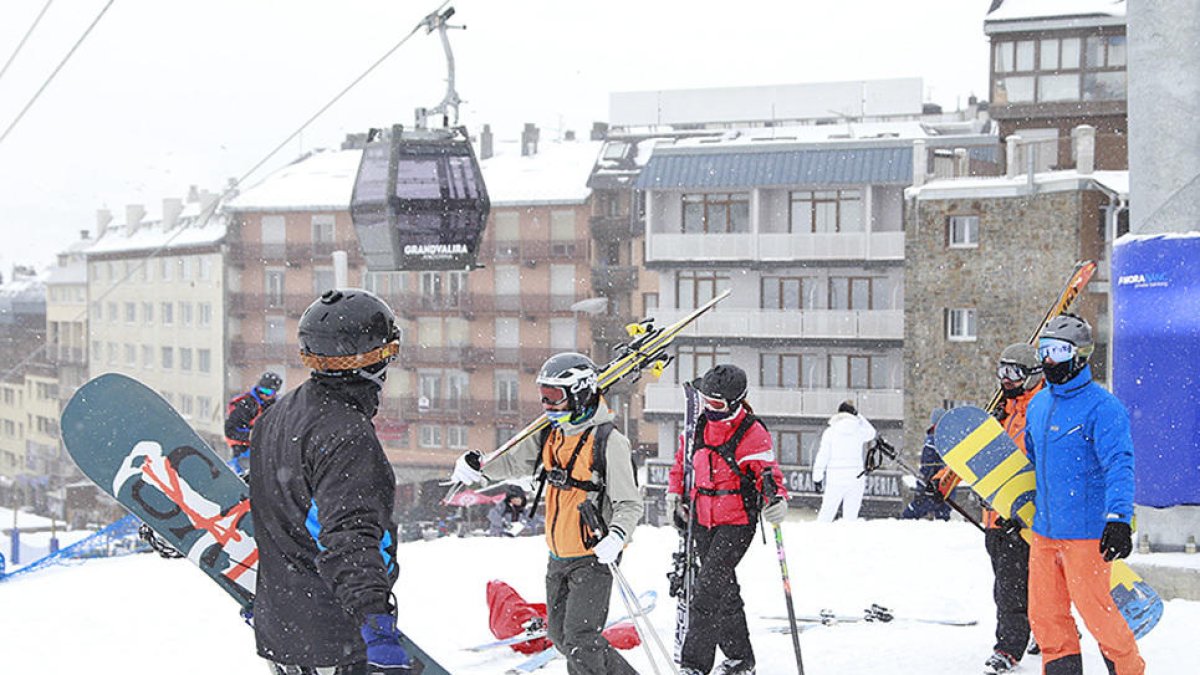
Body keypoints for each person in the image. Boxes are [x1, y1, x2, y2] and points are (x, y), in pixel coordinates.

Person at [248, 289, 412, 674]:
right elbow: (349, 536)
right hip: (333, 639)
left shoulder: (276, 416)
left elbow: (276, 506)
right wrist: (376, 625)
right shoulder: (347, 434)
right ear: (375, 361)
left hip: (284, 631)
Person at [450, 352, 642, 675]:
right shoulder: (549, 434)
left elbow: (630, 503)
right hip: (558, 556)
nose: (547, 406)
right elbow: (512, 462)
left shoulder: (610, 442)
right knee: (559, 635)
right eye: (543, 396)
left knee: (581, 639)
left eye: (555, 397)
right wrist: (479, 468)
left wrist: (618, 535)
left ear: (580, 393)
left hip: (592, 556)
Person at [1025, 315, 1144, 675]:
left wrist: (1118, 519)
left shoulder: (1103, 407)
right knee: (1045, 615)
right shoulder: (1038, 404)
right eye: (1044, 351)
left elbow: (1120, 464)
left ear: (1080, 356)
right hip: (1045, 533)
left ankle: (1128, 669)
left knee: (1098, 615)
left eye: (1058, 351)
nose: (1048, 360)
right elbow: (1035, 459)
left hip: (1086, 534)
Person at [666, 364, 788, 675]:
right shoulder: (697, 426)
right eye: (706, 401)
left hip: (736, 522)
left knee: (706, 591)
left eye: (717, 405)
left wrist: (776, 501)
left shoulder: (751, 432)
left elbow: (768, 475)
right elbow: (682, 465)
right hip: (702, 519)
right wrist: (674, 496)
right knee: (724, 590)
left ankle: (693, 665)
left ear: (735, 402)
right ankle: (740, 659)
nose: (709, 409)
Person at [979, 343, 1044, 674]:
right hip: (995, 516)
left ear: (1033, 376)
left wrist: (1021, 510)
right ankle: (1040, 631)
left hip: (1023, 519)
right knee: (1009, 582)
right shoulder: (1001, 412)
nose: (1006, 379)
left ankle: (1009, 647)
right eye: (1002, 371)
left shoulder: (1041, 410)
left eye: (1014, 372)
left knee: (1013, 586)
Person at [812, 400, 876, 522]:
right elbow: (872, 433)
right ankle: (848, 539)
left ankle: (819, 537)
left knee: (826, 514)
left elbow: (822, 456)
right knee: (850, 517)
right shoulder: (859, 431)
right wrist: (859, 416)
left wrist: (817, 478)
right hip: (856, 478)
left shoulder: (830, 432)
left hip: (835, 478)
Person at [899, 408, 951, 521]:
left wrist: (921, 489)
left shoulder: (932, 442)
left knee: (909, 515)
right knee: (943, 518)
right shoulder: (949, 441)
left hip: (932, 487)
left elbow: (927, 467)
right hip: (947, 486)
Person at [225, 371, 282, 476]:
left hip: (268, 451)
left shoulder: (277, 407)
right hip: (244, 450)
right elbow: (230, 431)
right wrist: (251, 435)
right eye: (262, 390)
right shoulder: (246, 404)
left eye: (268, 392)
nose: (263, 394)